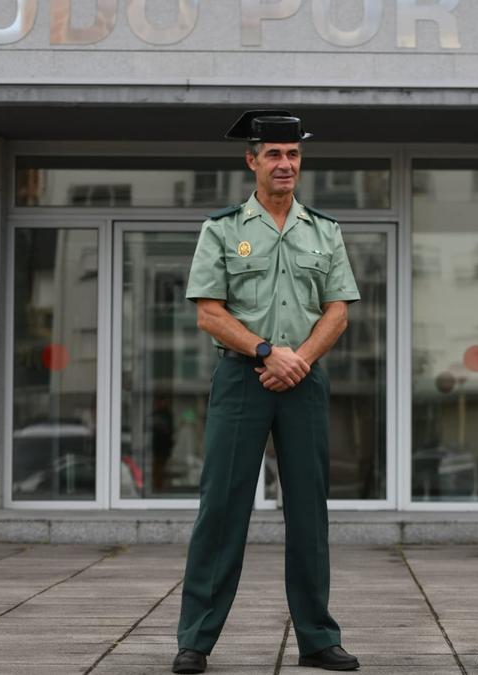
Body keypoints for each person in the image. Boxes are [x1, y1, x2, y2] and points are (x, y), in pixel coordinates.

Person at [173, 110, 361, 674]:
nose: (285, 164)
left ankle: (317, 639)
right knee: (222, 508)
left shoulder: (323, 231)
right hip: (241, 379)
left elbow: (338, 311)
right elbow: (209, 313)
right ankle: (195, 641)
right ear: (251, 161)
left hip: (304, 380)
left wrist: (298, 359)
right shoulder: (224, 229)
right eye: (273, 154)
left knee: (309, 511)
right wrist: (264, 351)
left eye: (293, 154)